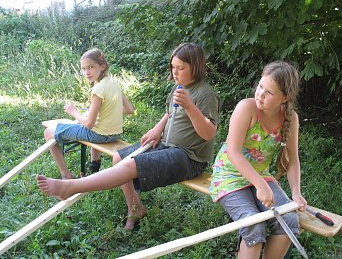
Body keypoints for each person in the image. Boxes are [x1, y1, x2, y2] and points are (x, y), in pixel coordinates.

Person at [37, 42, 221, 230]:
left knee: (132, 164)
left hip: (189, 157)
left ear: (196, 67)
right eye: (173, 67)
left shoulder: (205, 94)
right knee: (119, 157)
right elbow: (170, 112)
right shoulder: (178, 87)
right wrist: (157, 128)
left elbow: (208, 133)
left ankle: (71, 187)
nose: (175, 72)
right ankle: (135, 208)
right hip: (167, 145)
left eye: (181, 68)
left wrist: (190, 106)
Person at [209, 61, 307, 258]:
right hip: (229, 175)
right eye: (261, 86)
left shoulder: (291, 118)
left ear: (284, 98)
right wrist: (261, 185)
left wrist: (296, 194)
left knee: (289, 219)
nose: (260, 93)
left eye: (269, 92)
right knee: (253, 224)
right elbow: (233, 153)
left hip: (260, 176)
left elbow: (292, 160)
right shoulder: (246, 108)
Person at [44, 48, 134, 179]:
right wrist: (107, 109)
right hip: (115, 134)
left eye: (91, 67)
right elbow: (129, 109)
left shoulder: (98, 89)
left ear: (102, 67)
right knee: (98, 123)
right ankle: (94, 169)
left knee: (48, 132)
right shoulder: (114, 83)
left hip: (99, 135)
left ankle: (66, 175)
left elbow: (89, 124)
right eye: (84, 68)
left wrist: (73, 111)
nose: (87, 72)